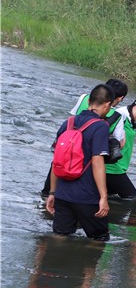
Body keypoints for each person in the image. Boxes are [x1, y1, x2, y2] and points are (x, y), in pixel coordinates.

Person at [44, 84, 115, 240]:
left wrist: (52, 192)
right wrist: (103, 197)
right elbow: (97, 161)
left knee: (60, 237)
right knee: (100, 239)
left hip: (62, 194)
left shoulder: (68, 122)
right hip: (87, 197)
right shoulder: (100, 126)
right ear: (108, 104)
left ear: (89, 100)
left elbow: (57, 160)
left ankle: (56, 262)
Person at [41, 78, 129, 198]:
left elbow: (71, 119)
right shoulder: (117, 116)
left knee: (49, 193)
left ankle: (48, 197)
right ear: (119, 98)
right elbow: (119, 144)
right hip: (85, 159)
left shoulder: (84, 98)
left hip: (66, 149)